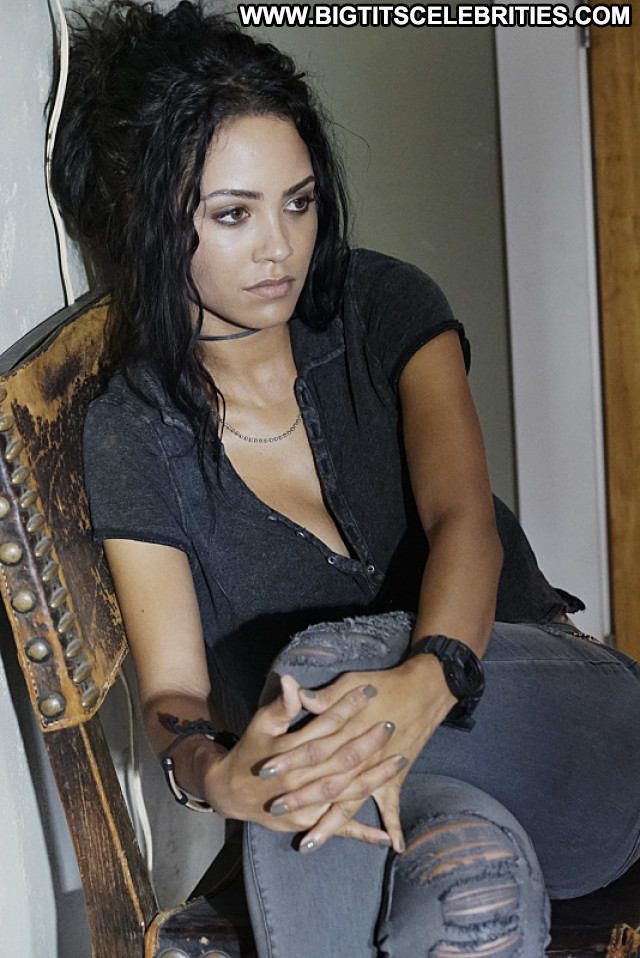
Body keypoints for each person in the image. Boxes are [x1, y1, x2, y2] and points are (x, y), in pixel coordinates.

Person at [51, 3, 640, 956]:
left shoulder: (381, 305)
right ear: (146, 223)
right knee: (469, 892)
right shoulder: (133, 430)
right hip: (366, 794)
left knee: (316, 684)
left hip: (553, 729)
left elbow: (463, 522)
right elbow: (174, 696)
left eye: (299, 201)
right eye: (234, 214)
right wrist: (217, 775)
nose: (280, 247)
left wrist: (428, 680)